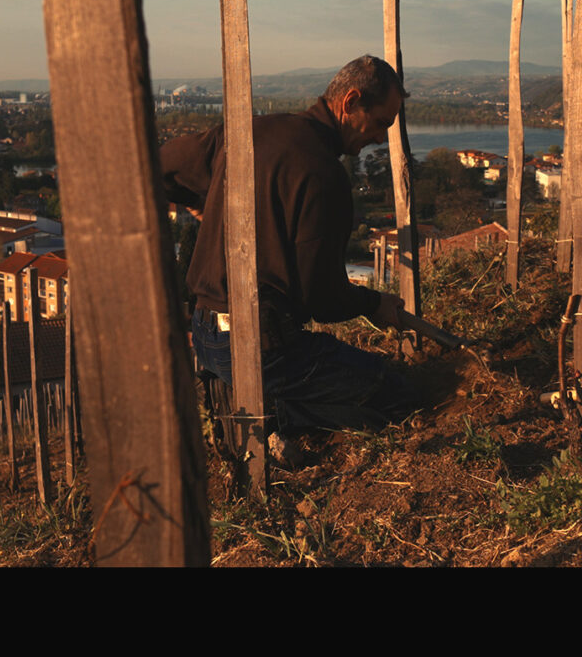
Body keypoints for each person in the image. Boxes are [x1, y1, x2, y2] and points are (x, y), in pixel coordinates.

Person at [160, 54, 419, 437]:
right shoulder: (323, 174)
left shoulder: (246, 133)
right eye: (381, 123)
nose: (381, 138)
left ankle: (252, 399)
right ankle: (273, 417)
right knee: (398, 396)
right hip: (263, 350)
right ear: (350, 103)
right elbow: (324, 300)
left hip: (205, 334)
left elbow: (161, 165)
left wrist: (200, 200)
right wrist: (374, 304)